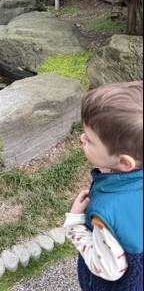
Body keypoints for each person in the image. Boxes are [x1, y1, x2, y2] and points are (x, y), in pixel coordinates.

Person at [63, 81, 143, 290]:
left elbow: (107, 268)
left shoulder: (106, 214)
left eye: (89, 139)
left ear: (125, 162)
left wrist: (75, 225)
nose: (81, 138)